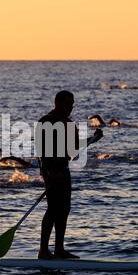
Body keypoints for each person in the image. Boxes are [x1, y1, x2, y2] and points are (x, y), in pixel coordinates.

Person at [36, 90, 103, 259]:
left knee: (64, 210)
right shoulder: (46, 121)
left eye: (72, 104)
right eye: (67, 103)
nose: (71, 107)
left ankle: (59, 249)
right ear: (57, 103)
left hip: (63, 170)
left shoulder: (69, 123)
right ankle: (43, 251)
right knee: (52, 209)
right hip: (52, 171)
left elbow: (73, 151)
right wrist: (48, 172)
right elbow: (42, 151)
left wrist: (93, 139)